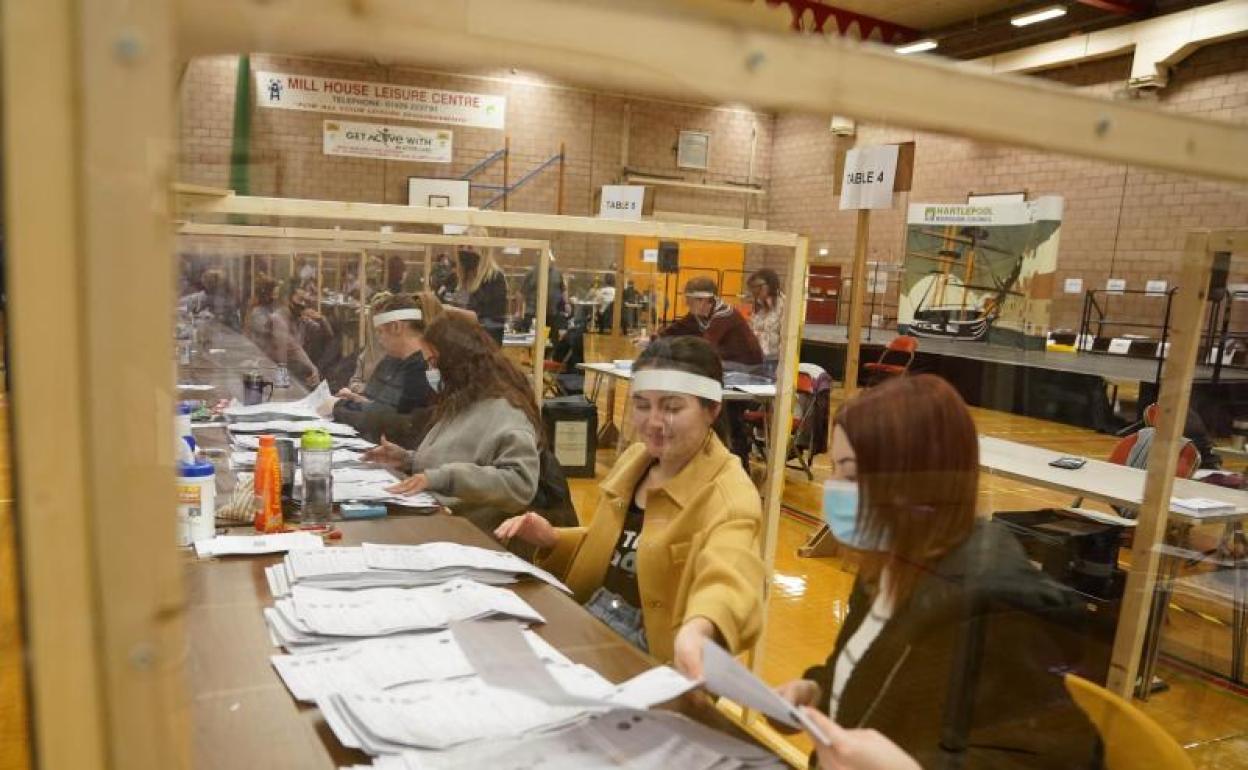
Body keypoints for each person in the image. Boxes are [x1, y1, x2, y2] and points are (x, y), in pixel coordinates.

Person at [773, 374, 1100, 769]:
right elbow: (871, 677)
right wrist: (815, 690)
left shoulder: (996, 610)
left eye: (852, 474)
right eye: (836, 470)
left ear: (916, 483)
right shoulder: (886, 566)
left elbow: (1057, 759)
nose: (833, 488)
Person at [494, 336, 766, 678]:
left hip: (652, 655)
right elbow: (621, 548)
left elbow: (732, 574)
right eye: (641, 405)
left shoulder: (729, 493)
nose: (653, 421)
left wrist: (700, 627)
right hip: (591, 623)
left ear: (712, 409)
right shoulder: (637, 460)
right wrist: (553, 539)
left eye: (671, 407)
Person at [364, 314, 540, 533]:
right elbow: (456, 456)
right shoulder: (462, 400)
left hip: (470, 533)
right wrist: (409, 460)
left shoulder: (506, 411)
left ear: (454, 362)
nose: (430, 371)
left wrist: (442, 477)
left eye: (433, 363)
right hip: (439, 520)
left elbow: (519, 484)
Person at [327, 293, 440, 437]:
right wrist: (356, 400)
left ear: (396, 327)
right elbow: (381, 406)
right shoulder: (392, 360)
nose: (379, 339)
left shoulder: (422, 368)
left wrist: (338, 408)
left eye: (380, 332)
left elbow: (398, 422)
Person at [659, 277, 762, 367]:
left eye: (689, 300)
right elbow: (676, 329)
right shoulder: (699, 313)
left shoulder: (724, 315)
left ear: (702, 301)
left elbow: (706, 348)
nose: (686, 303)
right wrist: (656, 339)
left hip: (745, 365)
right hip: (728, 361)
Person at [245, 275, 320, 386]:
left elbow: (318, 330)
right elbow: (289, 344)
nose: (303, 304)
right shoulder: (267, 315)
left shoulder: (285, 314)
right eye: (274, 294)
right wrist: (312, 367)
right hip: (268, 365)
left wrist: (318, 319)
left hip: (281, 363)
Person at [447, 229, 508, 345]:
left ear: (483, 251)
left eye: (470, 247)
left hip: (484, 348)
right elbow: (460, 307)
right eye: (461, 247)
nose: (464, 251)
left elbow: (492, 321)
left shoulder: (494, 278)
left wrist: (451, 310)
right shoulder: (462, 279)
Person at [746, 268, 785, 360]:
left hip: (774, 360)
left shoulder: (784, 305)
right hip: (756, 356)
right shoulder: (758, 305)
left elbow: (785, 340)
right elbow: (753, 328)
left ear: (769, 285)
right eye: (753, 288)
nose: (754, 291)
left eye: (758, 287)